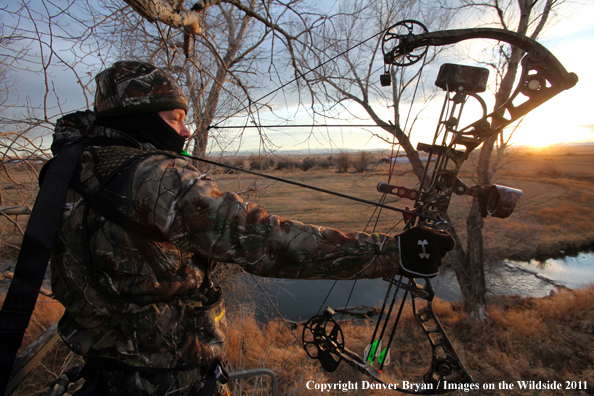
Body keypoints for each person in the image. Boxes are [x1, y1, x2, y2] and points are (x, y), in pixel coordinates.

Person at [48, 60, 454, 396]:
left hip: (103, 377)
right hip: (171, 380)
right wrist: (393, 252)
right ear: (138, 118)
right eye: (174, 118)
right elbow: (265, 240)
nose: (186, 131)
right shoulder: (157, 178)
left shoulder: (65, 168)